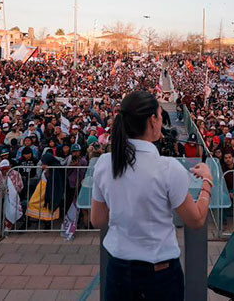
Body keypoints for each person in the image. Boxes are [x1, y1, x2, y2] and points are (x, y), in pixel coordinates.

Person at [91, 91, 213, 301]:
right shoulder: (168, 168)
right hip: (160, 274)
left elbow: (98, 219)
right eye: (159, 114)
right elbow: (196, 219)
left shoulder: (104, 163)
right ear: (152, 121)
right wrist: (208, 182)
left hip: (118, 269)